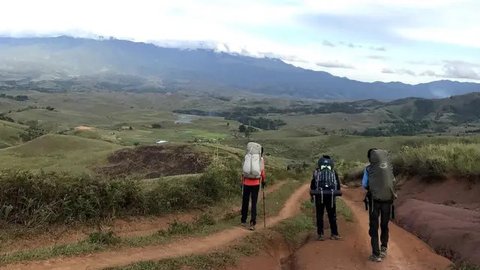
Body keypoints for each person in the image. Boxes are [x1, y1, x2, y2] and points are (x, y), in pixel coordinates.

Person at [362, 148, 396, 262]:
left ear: (370, 158)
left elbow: (364, 184)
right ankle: (384, 248)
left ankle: (376, 254)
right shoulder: (388, 167)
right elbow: (393, 181)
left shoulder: (368, 168)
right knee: (384, 225)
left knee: (374, 226)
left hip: (374, 201)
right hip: (387, 200)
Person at [310, 155, 342, 241]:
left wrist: (312, 196)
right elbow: (338, 185)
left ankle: (320, 234)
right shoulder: (334, 172)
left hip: (319, 195)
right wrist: (336, 193)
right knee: (332, 215)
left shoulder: (316, 172)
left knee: (319, 215)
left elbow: (313, 184)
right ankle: (334, 234)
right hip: (331, 196)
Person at [241, 146, 266, 231]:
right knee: (254, 203)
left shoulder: (247, 157)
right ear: (260, 152)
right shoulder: (261, 159)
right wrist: (263, 181)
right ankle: (252, 223)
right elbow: (262, 172)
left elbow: (243, 171)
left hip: (246, 183)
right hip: (255, 183)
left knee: (245, 201)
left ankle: (243, 220)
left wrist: (242, 182)